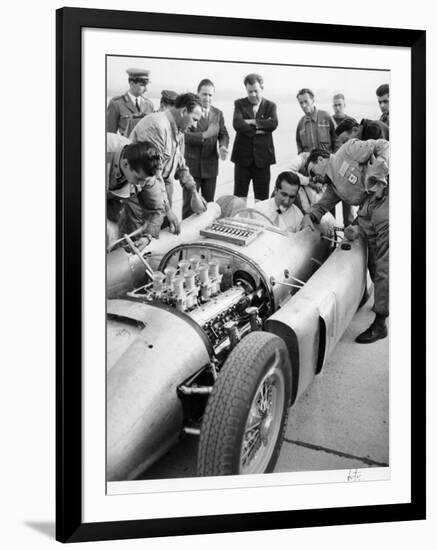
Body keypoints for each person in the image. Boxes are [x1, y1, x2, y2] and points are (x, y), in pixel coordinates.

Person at [303, 140, 390, 344]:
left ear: (322, 159)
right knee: (374, 264)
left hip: (386, 200)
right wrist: (309, 216)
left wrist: (380, 169)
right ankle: (379, 300)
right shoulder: (334, 188)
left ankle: (380, 323)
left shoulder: (348, 150)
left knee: (385, 264)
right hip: (368, 211)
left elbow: (383, 145)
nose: (312, 177)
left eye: (312, 170)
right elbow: (322, 205)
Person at [129, 92, 207, 221]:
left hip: (160, 194)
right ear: (183, 111)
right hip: (141, 195)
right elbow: (152, 176)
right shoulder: (157, 127)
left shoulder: (179, 130)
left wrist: (194, 192)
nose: (195, 126)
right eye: (194, 119)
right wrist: (167, 211)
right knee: (143, 238)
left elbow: (181, 165)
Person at [106, 133, 168, 249]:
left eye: (145, 180)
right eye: (138, 179)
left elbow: (158, 208)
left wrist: (147, 236)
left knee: (111, 237)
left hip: (113, 196)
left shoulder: (146, 172)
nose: (141, 185)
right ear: (125, 164)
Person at [182, 79, 230, 218]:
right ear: (197, 94)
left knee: (208, 205)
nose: (207, 98)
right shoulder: (189, 112)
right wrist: (205, 135)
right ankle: (185, 238)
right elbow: (184, 136)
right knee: (189, 206)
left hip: (210, 166)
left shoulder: (218, 113)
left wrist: (223, 146)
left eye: (210, 95)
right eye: (204, 94)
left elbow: (223, 134)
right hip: (192, 167)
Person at [231, 73, 278, 202]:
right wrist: (259, 129)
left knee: (262, 200)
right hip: (242, 161)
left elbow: (273, 124)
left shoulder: (271, 106)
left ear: (262, 88)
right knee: (239, 200)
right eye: (249, 91)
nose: (252, 95)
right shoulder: (239, 104)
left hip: (263, 162)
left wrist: (251, 122)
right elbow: (237, 124)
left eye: (255, 91)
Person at [107, 68, 154, 136]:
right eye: (142, 85)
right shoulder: (116, 103)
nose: (146, 89)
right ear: (131, 83)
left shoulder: (149, 105)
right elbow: (110, 134)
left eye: (146, 85)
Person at [296, 88, 337, 154]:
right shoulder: (300, 123)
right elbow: (299, 145)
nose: (304, 105)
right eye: (301, 103)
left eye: (306, 101)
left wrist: (335, 157)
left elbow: (337, 139)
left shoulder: (325, 116)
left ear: (312, 100)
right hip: (310, 163)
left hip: (327, 160)